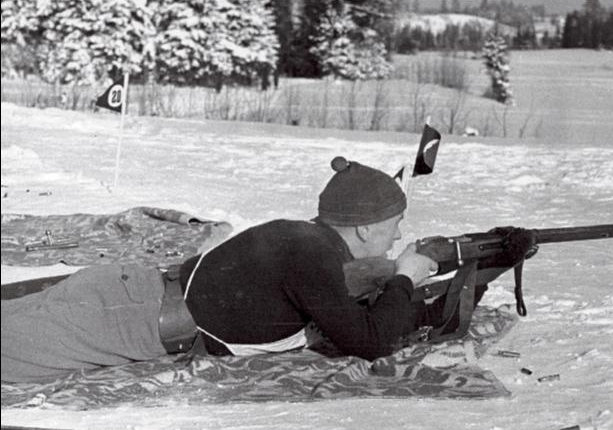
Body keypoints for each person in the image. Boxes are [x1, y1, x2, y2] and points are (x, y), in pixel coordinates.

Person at [1, 157, 485, 384]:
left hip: (127, 296)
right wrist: (405, 275)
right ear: (362, 230)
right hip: (125, 318)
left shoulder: (303, 235)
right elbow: (371, 341)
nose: (399, 236)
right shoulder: (312, 257)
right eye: (394, 226)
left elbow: (351, 300)